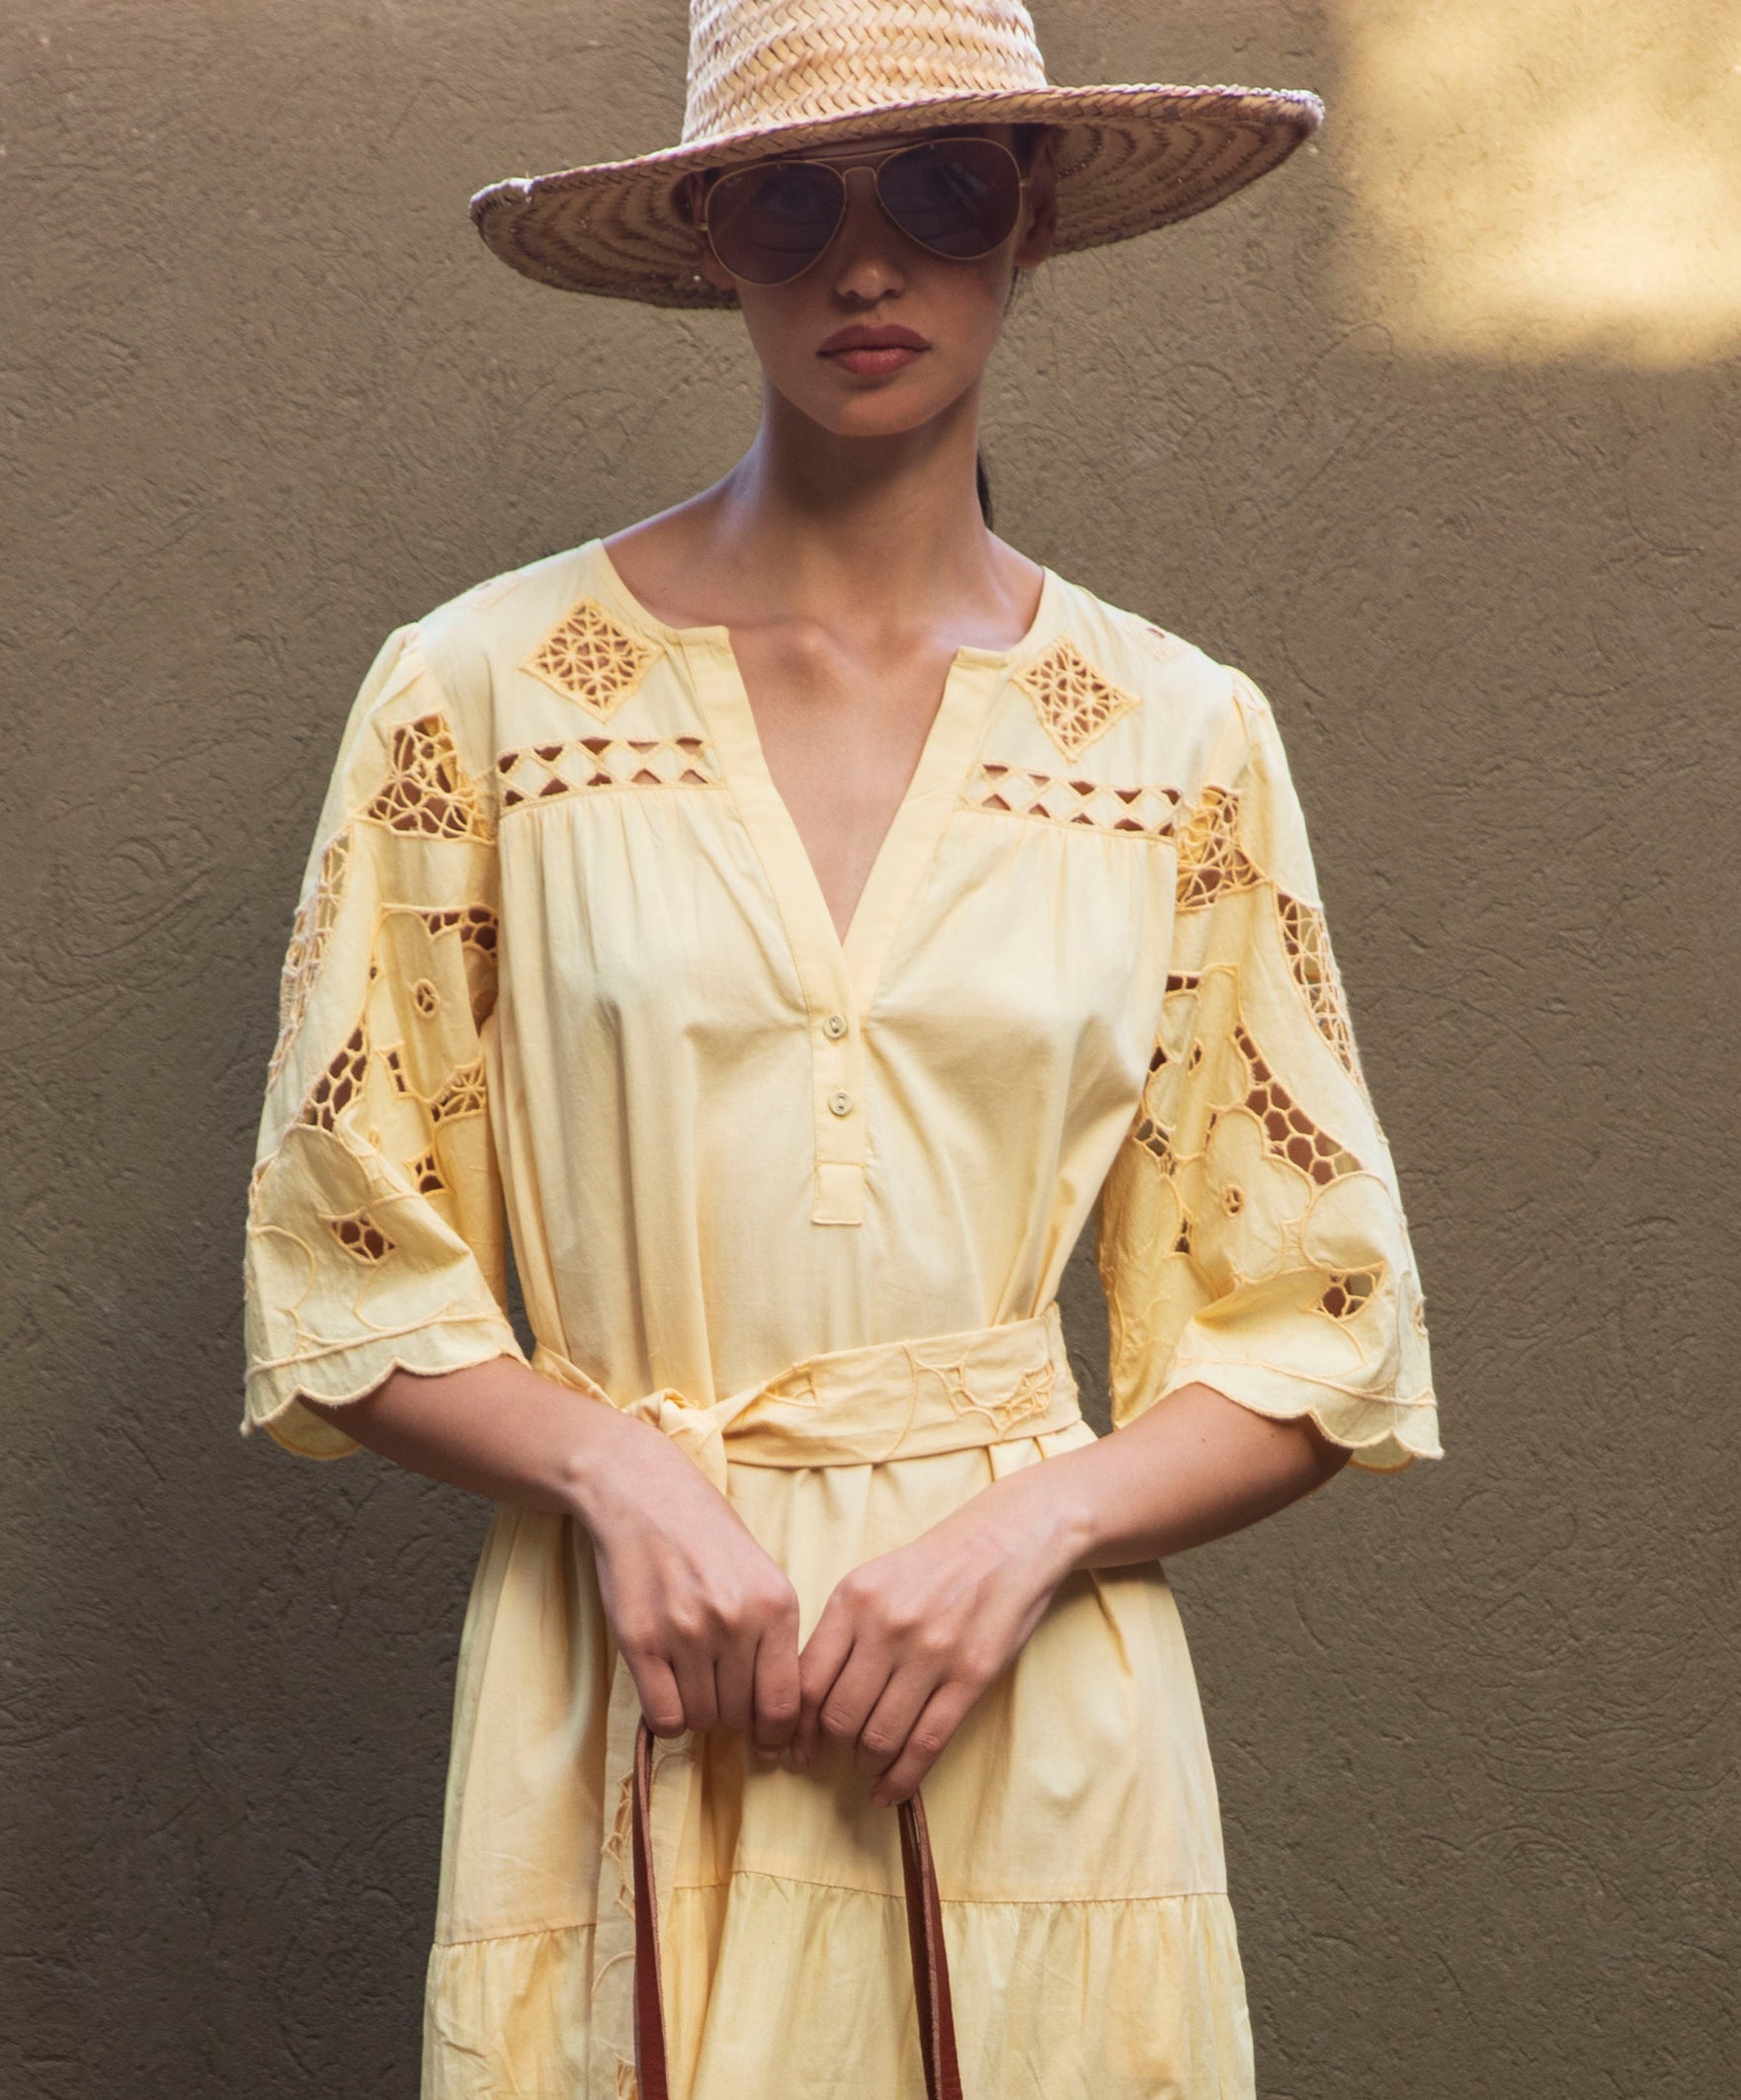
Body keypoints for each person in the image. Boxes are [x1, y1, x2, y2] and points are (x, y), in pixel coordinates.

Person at [242, 4, 1441, 2094]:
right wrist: (613, 1469)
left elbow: (1316, 1319)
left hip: (1024, 1709)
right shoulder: (480, 694)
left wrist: (1027, 1526)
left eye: (939, 190)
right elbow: (345, 1262)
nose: (862, 265)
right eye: (792, 198)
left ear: (1030, 216)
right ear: (712, 234)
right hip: (626, 1688)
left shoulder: (1179, 738)